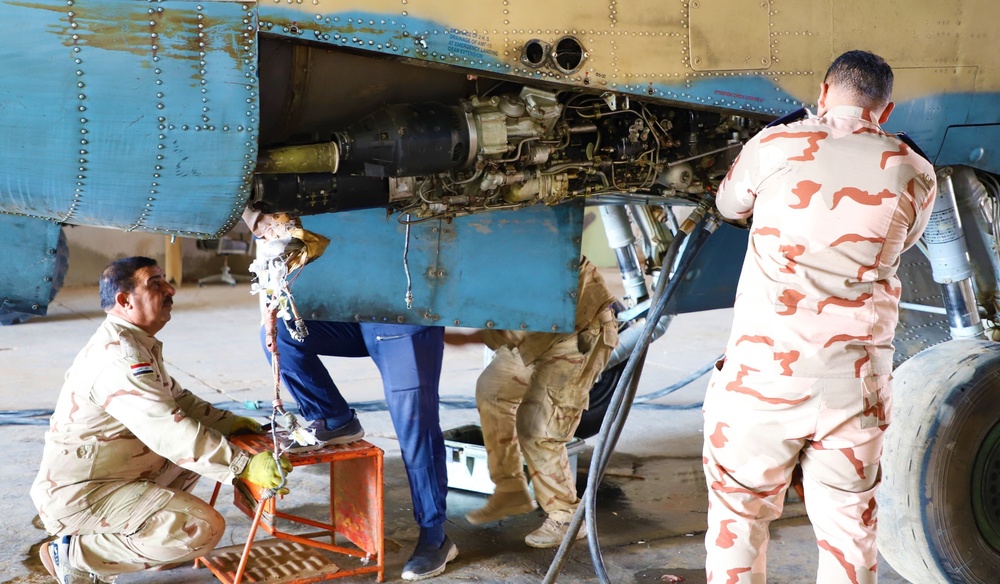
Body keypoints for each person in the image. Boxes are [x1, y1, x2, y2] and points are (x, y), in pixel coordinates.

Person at [702, 50, 936, 583]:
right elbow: (907, 239)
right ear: (887, 109)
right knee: (850, 535)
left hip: (762, 382)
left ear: (825, 91)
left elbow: (728, 205)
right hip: (854, 390)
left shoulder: (773, 145)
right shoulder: (914, 169)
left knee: (738, 523)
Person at [30, 256, 290, 584]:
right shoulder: (120, 358)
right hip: (83, 494)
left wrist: (230, 423)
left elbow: (179, 401)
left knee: (201, 443)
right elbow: (167, 428)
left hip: (112, 476)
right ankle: (73, 554)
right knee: (203, 528)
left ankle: (147, 545)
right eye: (155, 284)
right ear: (124, 301)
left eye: (165, 281)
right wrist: (241, 466)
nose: (171, 290)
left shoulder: (136, 342)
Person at [263, 319, 456, 581]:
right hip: (357, 315)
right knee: (279, 334)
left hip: (406, 323)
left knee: (415, 428)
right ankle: (334, 419)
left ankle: (435, 536)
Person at [464, 257, 618, 548]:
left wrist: (475, 336)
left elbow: (539, 296)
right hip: (535, 325)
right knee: (492, 390)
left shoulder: (539, 234)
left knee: (538, 431)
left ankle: (565, 517)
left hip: (578, 328)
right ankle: (509, 489)